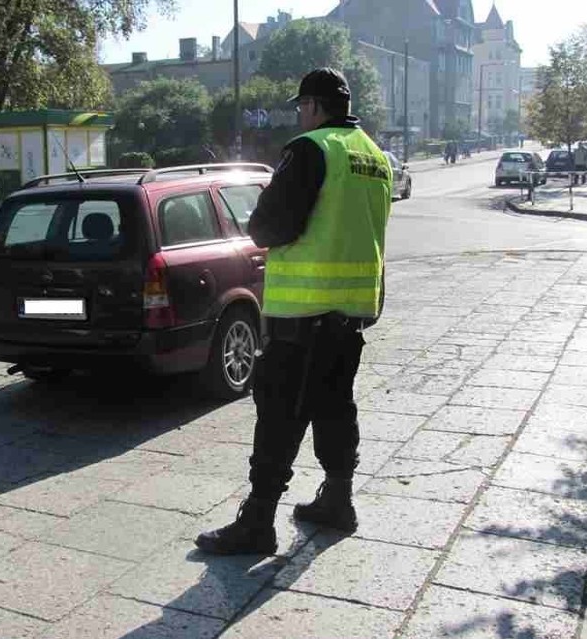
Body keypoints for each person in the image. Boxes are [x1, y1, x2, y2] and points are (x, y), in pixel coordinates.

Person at [195, 68, 392, 555]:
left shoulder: (311, 149)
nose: (300, 115)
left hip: (303, 315)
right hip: (352, 311)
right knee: (335, 405)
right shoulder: (373, 156)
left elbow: (268, 226)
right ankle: (338, 500)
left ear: (314, 106)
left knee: (280, 414)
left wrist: (264, 225)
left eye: (301, 106)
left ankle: (258, 521)